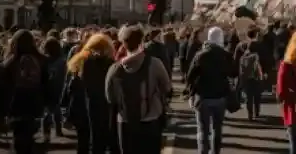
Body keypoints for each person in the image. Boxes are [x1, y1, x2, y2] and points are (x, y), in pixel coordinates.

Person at [105, 26, 171, 154]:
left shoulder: (115, 69)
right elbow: (167, 87)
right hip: (151, 118)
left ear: (123, 44)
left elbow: (109, 97)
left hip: (125, 120)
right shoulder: (155, 64)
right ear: (142, 42)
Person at [0, 29, 50, 154]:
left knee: (19, 138)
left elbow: (0, 88)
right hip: (35, 104)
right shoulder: (42, 60)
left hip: (16, 105)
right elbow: (47, 83)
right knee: (28, 136)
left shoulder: (8, 63)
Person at [63, 33, 118, 154]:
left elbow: (69, 85)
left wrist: (65, 104)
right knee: (99, 142)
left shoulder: (80, 61)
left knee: (84, 143)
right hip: (100, 108)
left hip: (80, 107)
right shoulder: (110, 64)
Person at [186, 26, 236, 154]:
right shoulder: (226, 55)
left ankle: (203, 151)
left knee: (203, 130)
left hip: (203, 97)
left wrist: (191, 92)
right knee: (217, 129)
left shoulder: (200, 55)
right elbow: (234, 72)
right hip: (220, 97)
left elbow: (190, 76)